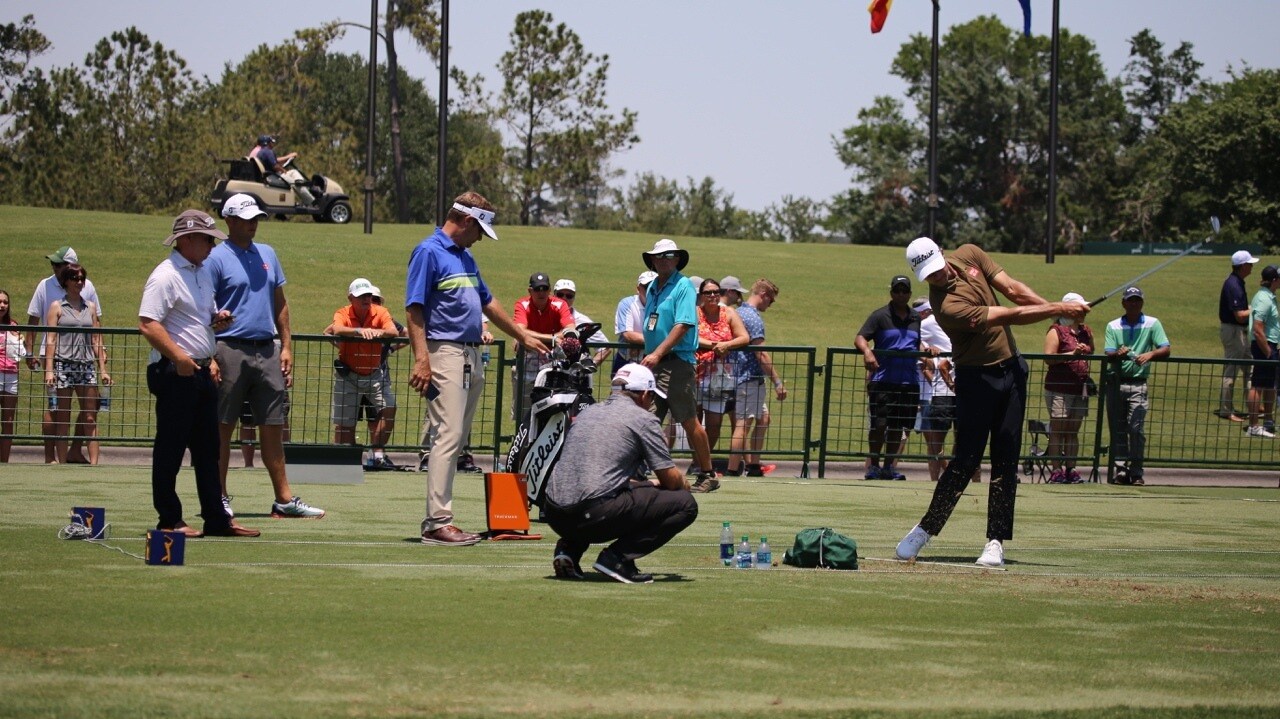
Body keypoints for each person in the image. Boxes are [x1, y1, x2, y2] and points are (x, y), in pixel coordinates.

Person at [895, 237, 1089, 568]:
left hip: (1012, 372)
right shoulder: (946, 307)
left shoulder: (971, 254)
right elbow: (1008, 314)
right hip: (975, 379)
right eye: (929, 276)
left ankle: (995, 541)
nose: (936, 277)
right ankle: (925, 529)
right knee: (965, 460)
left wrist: (1060, 319)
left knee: (1006, 458)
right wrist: (1059, 308)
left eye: (937, 269)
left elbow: (1012, 289)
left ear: (942, 253)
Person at [406, 191, 548, 546]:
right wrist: (422, 358)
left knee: (456, 438)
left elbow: (487, 301)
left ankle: (441, 520)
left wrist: (521, 333)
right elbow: (414, 310)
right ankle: (437, 522)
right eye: (480, 229)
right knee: (448, 435)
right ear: (467, 221)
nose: (481, 238)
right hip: (445, 354)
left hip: (469, 356)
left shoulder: (465, 256)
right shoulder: (428, 252)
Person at [138, 210, 260, 538]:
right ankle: (169, 519)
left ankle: (217, 519)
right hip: (175, 371)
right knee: (171, 449)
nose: (211, 245)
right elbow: (148, 323)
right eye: (207, 239)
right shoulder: (165, 275)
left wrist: (216, 322)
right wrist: (178, 357)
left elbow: (198, 320)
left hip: (202, 370)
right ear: (187, 239)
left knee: (209, 451)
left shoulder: (202, 273)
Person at [208, 193, 326, 519]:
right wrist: (210, 355)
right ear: (229, 220)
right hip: (228, 348)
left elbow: (281, 303)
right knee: (223, 427)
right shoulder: (215, 258)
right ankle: (217, 497)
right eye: (246, 218)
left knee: (274, 426)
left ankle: (283, 500)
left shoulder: (269, 254)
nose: (253, 223)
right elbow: (205, 309)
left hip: (267, 349)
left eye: (256, 217)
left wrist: (286, 346)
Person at [543, 363, 698, 584]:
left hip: (555, 514)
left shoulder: (589, 412)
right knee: (685, 503)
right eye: (652, 398)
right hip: (593, 514)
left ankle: (568, 550)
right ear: (644, 395)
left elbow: (599, 473)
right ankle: (617, 559)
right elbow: (670, 481)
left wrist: (644, 485)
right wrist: (684, 483)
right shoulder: (643, 419)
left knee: (600, 491)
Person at [639, 238, 718, 492]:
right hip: (656, 364)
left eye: (669, 256)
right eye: (660, 256)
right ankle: (639, 471)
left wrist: (657, 353)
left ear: (676, 260)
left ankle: (708, 474)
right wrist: (652, 356)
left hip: (676, 364)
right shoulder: (652, 287)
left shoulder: (683, 285)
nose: (664, 259)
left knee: (688, 420)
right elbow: (653, 323)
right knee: (647, 419)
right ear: (652, 260)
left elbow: (683, 325)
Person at [26, 246, 103, 464]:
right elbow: (33, 319)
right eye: (54, 264)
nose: (54, 267)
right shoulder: (45, 285)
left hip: (84, 356)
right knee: (55, 409)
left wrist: (102, 352)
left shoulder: (88, 289)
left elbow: (97, 323)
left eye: (59, 264)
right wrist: (29, 352)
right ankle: (51, 458)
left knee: (92, 406)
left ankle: (76, 449)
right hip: (52, 355)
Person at [855, 275, 922, 480]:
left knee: (897, 425)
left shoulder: (916, 318)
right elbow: (860, 337)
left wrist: (928, 349)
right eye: (897, 290)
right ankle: (874, 465)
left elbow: (916, 344)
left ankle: (888, 467)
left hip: (908, 381)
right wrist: (867, 352)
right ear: (891, 292)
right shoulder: (879, 316)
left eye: (904, 291)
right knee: (879, 425)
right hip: (883, 380)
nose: (901, 294)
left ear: (909, 293)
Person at [328, 278, 400, 465]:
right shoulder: (342, 312)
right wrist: (360, 331)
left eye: (368, 295)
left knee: (389, 407)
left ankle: (376, 454)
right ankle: (350, 463)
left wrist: (379, 333)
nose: (366, 299)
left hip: (375, 374)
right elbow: (335, 329)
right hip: (348, 375)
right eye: (361, 296)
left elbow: (394, 331)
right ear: (351, 298)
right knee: (346, 423)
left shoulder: (381, 312)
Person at [1103, 286, 1170, 485]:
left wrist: (1150, 354)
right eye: (1130, 300)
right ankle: (1121, 470)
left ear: (1142, 302)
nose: (1133, 303)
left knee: (1136, 428)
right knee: (1118, 429)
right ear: (1123, 303)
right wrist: (1118, 354)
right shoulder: (1113, 325)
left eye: (1137, 300)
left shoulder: (1152, 323)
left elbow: (1165, 348)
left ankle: (1137, 471)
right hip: (1116, 383)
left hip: (1138, 383)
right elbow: (1109, 353)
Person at [43, 265, 109, 465]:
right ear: (66, 281)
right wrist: (49, 369)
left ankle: (95, 465)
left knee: (90, 417)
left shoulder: (90, 307)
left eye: (81, 278)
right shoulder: (57, 307)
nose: (79, 282)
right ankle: (62, 464)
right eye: (74, 278)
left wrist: (103, 369)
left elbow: (96, 339)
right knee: (63, 418)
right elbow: (51, 339)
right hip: (64, 365)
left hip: (86, 366)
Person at [726, 278, 786, 477]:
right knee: (743, 424)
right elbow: (762, 354)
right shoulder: (753, 318)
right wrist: (777, 382)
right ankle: (733, 470)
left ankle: (753, 465)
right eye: (771, 300)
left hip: (744, 376)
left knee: (763, 418)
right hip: (748, 377)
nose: (771, 304)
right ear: (764, 295)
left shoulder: (739, 311)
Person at [693, 277, 749, 483]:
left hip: (720, 376)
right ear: (701, 295)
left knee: (714, 423)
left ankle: (702, 461)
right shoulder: (694, 313)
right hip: (694, 372)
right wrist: (713, 344)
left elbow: (744, 337)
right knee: (693, 421)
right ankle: (697, 462)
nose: (713, 296)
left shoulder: (729, 313)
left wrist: (728, 345)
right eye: (708, 292)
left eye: (716, 291)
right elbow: (689, 336)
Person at [1043, 292, 1095, 484]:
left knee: (1073, 430)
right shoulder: (1056, 330)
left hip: (1079, 387)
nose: (1083, 312)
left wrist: (1084, 353)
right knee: (1058, 428)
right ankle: (1056, 470)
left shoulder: (1086, 331)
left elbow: (1093, 350)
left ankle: (1071, 469)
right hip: (1059, 387)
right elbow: (1049, 358)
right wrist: (1072, 353)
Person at [511, 271, 574, 420]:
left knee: (552, 408)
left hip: (552, 361)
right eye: (537, 289)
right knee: (523, 411)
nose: (541, 293)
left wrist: (527, 336)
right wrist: (552, 339)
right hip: (528, 360)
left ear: (550, 290)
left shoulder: (559, 304)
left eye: (545, 288)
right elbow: (519, 330)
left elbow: (570, 329)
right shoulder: (522, 304)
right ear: (530, 290)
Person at [1217, 250, 1258, 422]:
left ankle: (1253, 407)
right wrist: (1255, 309)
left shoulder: (1237, 281)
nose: (1252, 267)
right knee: (1231, 371)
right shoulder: (1233, 285)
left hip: (1239, 332)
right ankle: (1226, 410)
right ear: (1242, 266)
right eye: (1250, 264)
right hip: (1234, 331)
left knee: (1250, 369)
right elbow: (1239, 315)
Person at [1245, 266, 1280, 438]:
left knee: (1269, 384)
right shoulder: (1264, 299)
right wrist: (1267, 351)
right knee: (1258, 384)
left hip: (1270, 345)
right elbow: (1258, 329)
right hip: (1264, 346)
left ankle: (1267, 420)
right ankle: (1253, 426)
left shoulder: (1269, 297)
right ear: (1274, 280)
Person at [553, 278, 611, 365]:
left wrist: (590, 367)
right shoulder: (544, 316)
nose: (564, 298)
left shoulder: (582, 320)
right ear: (554, 295)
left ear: (574, 298)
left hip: (572, 374)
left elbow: (605, 348)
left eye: (569, 296)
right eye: (560, 295)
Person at [612, 270, 657, 377]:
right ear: (638, 289)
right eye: (647, 287)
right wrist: (658, 342)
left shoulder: (659, 307)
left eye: (654, 287)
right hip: (626, 360)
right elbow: (628, 335)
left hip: (650, 360)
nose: (650, 290)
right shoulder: (627, 304)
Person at [252, 135, 315, 206]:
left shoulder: (261, 152)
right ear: (267, 143)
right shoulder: (268, 152)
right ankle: (311, 202)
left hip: (270, 175)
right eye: (271, 142)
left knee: (293, 172)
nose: (272, 144)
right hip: (273, 176)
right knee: (296, 183)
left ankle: (305, 190)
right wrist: (283, 170)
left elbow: (274, 162)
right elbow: (275, 166)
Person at [0, 290, 23, 462]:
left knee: (8, 421)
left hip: (11, 376)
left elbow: (20, 354)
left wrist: (18, 340)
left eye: (5, 302)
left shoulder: (13, 326)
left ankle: (4, 461)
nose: (2, 306)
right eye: (0, 302)